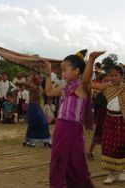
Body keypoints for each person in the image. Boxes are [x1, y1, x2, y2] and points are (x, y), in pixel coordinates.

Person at [46, 50, 105, 188]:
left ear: (76, 71)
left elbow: (86, 78)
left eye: (64, 69)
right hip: (61, 126)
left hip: (72, 128)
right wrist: (48, 74)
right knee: (60, 159)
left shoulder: (82, 87)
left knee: (76, 161)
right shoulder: (66, 87)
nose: (62, 73)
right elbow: (48, 92)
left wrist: (90, 60)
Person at [91, 65, 125, 184]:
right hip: (109, 120)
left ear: (122, 77)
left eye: (116, 75)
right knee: (108, 147)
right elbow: (90, 84)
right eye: (111, 75)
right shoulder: (107, 88)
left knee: (121, 146)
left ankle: (122, 171)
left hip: (122, 121)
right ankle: (111, 174)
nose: (113, 78)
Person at [22, 69, 51, 147]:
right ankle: (30, 140)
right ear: (35, 80)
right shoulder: (32, 85)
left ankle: (46, 140)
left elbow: (47, 92)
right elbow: (27, 83)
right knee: (35, 123)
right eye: (39, 78)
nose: (40, 80)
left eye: (41, 78)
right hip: (32, 107)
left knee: (42, 123)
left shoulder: (40, 86)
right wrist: (32, 74)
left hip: (38, 107)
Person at [87, 73, 108, 159]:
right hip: (101, 117)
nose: (107, 82)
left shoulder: (110, 92)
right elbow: (97, 109)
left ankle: (105, 154)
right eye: (105, 81)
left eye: (108, 80)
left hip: (108, 116)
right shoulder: (99, 93)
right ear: (101, 81)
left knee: (106, 135)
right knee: (98, 134)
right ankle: (90, 151)